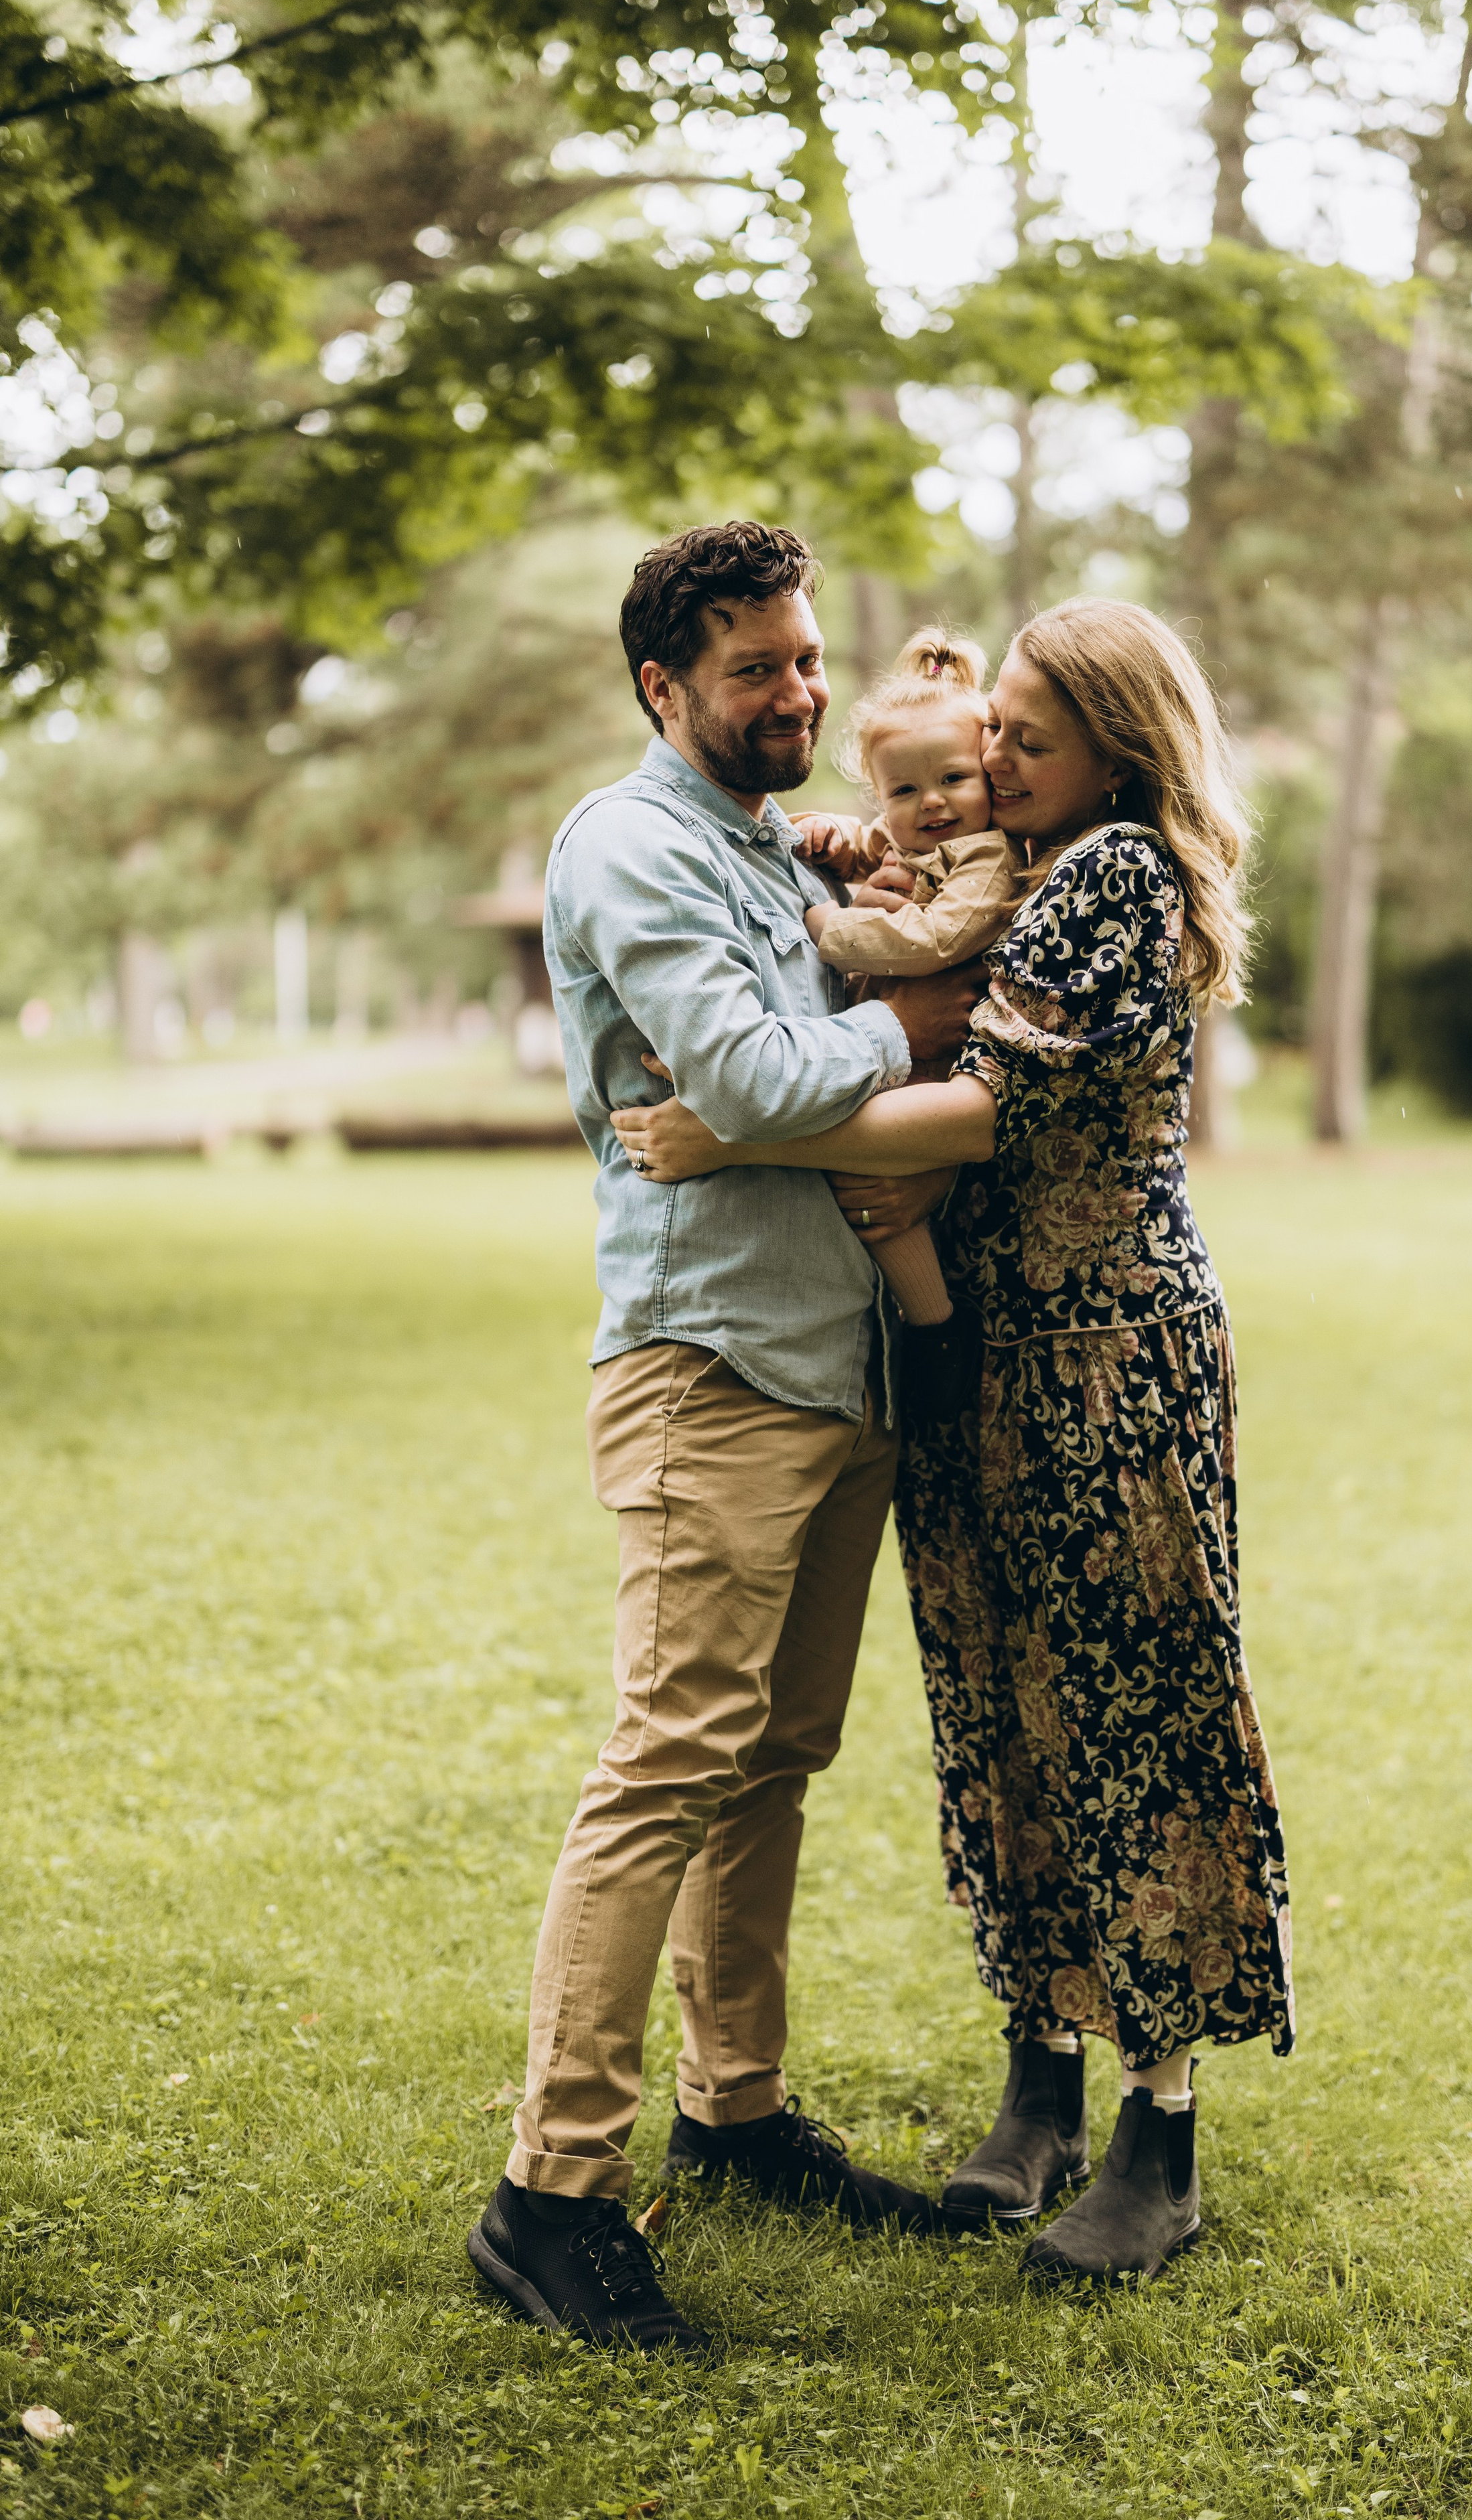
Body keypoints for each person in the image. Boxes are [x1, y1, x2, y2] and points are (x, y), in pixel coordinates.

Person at [614, 595, 1295, 2288]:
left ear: (1118, 755)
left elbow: (985, 1106)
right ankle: (1037, 2079)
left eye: (1028, 738)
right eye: (989, 724)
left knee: (1130, 1705)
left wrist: (733, 1132)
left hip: (1103, 1348)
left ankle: (1159, 2126)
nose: (990, 756)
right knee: (998, 1706)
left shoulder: (1117, 875)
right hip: (969, 1347)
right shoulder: (1003, 859)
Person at [467, 522, 978, 2357]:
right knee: (670, 1762)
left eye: (809, 657)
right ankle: (550, 2195)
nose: (801, 693)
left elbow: (777, 1066)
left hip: (833, 1369)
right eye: (756, 667)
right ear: (661, 687)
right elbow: (752, 1082)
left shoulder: (770, 845)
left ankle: (735, 2108)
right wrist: (911, 1017)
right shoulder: (630, 848)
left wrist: (846, 977)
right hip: (712, 1373)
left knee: (772, 1758)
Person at [790, 626, 1027, 1413]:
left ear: (988, 778)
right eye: (901, 791)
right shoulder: (916, 840)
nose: (930, 804)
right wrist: (837, 839)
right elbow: (875, 847)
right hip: (890, 1037)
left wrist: (833, 930)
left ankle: (935, 1326)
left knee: (874, 1186)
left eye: (953, 779)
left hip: (938, 1056)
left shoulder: (986, 858)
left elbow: (936, 939)